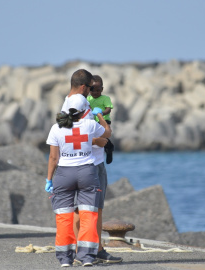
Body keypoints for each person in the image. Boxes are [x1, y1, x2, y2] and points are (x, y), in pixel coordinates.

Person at [61, 70, 122, 264]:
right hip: (90, 163)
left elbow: (69, 132)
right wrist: (100, 141)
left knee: (90, 209)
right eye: (90, 88)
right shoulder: (78, 103)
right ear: (83, 87)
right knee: (90, 209)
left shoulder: (68, 103)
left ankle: (90, 249)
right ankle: (90, 250)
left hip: (87, 162)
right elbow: (78, 135)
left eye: (97, 89)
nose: (92, 93)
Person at [46, 93, 112, 267]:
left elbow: (53, 158)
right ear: (85, 110)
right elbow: (107, 133)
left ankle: (65, 259)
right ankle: (87, 257)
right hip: (87, 174)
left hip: (63, 175)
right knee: (89, 215)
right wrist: (99, 115)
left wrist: (49, 180)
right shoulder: (90, 125)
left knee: (63, 218)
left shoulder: (56, 128)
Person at [87, 75, 115, 164]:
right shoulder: (88, 98)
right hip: (93, 121)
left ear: (102, 89)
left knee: (103, 135)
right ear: (89, 89)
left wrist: (101, 113)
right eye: (92, 90)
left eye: (98, 90)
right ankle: (105, 149)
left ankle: (109, 148)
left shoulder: (105, 98)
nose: (95, 92)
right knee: (95, 138)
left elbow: (108, 109)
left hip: (104, 120)